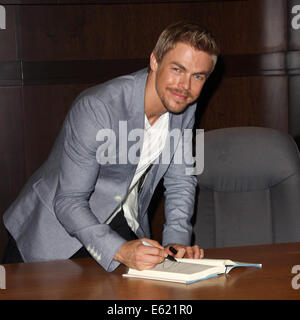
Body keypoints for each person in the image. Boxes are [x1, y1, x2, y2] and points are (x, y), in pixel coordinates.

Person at [2, 21, 219, 272]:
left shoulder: (186, 107)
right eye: (177, 69)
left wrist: (176, 243)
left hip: (119, 222)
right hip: (53, 232)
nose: (185, 86)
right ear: (155, 61)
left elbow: (181, 180)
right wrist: (120, 250)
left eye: (198, 76)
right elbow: (69, 201)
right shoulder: (98, 107)